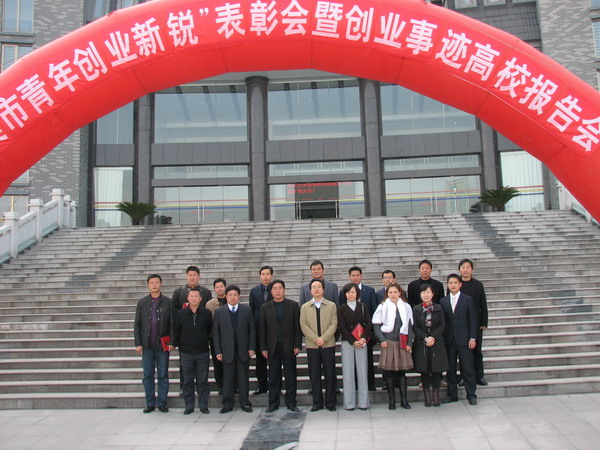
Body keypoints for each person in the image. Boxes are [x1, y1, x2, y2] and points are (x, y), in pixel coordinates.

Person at [259, 280, 302, 413]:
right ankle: (273, 403)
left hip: (289, 346)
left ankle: (291, 402)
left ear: (284, 290)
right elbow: (262, 329)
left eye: (280, 288)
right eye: (275, 289)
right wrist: (263, 347)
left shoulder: (293, 305)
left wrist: (297, 344)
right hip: (272, 347)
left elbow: (297, 326)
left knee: (290, 376)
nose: (277, 291)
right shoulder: (265, 307)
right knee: (273, 376)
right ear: (271, 291)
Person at [212, 285, 256, 413]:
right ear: (226, 296)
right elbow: (216, 333)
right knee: (228, 378)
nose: (232, 297)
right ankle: (227, 403)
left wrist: (252, 347)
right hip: (227, 350)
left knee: (243, 378)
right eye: (230, 295)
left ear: (239, 296)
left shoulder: (246, 310)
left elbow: (252, 330)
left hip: (243, 349)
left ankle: (245, 402)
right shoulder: (219, 312)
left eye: (235, 295)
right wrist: (218, 351)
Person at [133, 274, 173, 414]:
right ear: (148, 285)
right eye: (152, 283)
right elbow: (137, 324)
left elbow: (172, 323)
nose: (154, 285)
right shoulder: (142, 303)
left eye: (157, 282)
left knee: (163, 375)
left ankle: (162, 403)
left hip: (162, 346)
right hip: (147, 346)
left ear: (161, 284)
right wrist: (138, 343)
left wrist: (172, 342)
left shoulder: (168, 302)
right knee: (148, 375)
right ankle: (150, 403)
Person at [170, 288, 213, 415]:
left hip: (202, 352)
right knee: (188, 381)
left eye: (196, 296)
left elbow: (210, 330)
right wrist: (174, 344)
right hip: (186, 353)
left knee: (202, 380)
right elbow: (176, 331)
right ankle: (189, 406)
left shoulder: (206, 313)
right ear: (188, 298)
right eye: (191, 296)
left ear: (200, 299)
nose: (194, 298)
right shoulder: (181, 314)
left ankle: (203, 405)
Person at [372, 282, 414, 410]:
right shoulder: (382, 306)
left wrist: (410, 343)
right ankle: (392, 400)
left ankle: (404, 400)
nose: (393, 294)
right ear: (387, 294)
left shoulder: (406, 306)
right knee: (389, 372)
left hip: (402, 341)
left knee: (401, 373)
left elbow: (410, 325)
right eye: (390, 292)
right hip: (388, 342)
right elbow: (376, 325)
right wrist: (382, 339)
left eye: (395, 292)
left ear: (400, 293)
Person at [300, 278, 338, 412]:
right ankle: (317, 402)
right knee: (314, 374)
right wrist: (316, 339)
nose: (316, 289)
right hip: (312, 345)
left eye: (319, 287)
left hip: (328, 344)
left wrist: (324, 338)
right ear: (310, 290)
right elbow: (303, 325)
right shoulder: (305, 307)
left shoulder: (331, 305)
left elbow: (334, 323)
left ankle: (330, 402)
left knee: (330, 373)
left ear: (323, 290)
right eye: (314, 287)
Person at [440, 274, 478, 406]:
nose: (453, 285)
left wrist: (472, 337)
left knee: (467, 368)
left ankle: (471, 394)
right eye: (450, 283)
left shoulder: (468, 300)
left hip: (464, 339)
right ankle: (452, 394)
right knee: (450, 369)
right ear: (447, 285)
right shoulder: (443, 301)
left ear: (460, 284)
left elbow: (473, 320)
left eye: (455, 282)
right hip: (449, 340)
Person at [412, 283, 448, 407]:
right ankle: (427, 397)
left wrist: (433, 337)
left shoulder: (438, 308)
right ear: (420, 294)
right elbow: (415, 326)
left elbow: (442, 324)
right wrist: (425, 337)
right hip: (421, 343)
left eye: (428, 292)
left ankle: (436, 397)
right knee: (425, 370)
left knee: (436, 369)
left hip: (436, 342)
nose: (426, 295)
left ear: (432, 294)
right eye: (423, 292)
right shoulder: (416, 309)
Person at [337, 283, 372, 411]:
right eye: (348, 292)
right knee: (348, 373)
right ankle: (349, 403)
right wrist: (353, 341)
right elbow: (342, 327)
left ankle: (363, 402)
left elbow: (368, 323)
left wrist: (363, 339)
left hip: (361, 342)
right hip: (348, 342)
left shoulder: (362, 306)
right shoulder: (341, 309)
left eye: (353, 292)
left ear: (357, 293)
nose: (350, 294)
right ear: (345, 294)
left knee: (362, 372)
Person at [343, 266, 378, 392]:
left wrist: (367, 333)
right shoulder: (345, 291)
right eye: (353, 275)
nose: (355, 277)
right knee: (351, 363)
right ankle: (355, 385)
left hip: (365, 334)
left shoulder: (369, 290)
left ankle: (370, 384)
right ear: (349, 277)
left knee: (368, 360)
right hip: (350, 334)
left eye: (357, 275)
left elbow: (374, 310)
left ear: (361, 276)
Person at [458, 258, 489, 386]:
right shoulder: (456, 284)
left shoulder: (478, 284)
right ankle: (464, 376)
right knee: (463, 352)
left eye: (468, 267)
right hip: (461, 323)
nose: (465, 270)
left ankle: (479, 376)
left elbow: (483, 304)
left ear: (472, 269)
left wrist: (484, 322)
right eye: (463, 267)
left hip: (476, 322)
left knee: (477, 350)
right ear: (459, 269)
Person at [248, 265, 273, 395]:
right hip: (259, 331)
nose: (265, 277)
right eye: (263, 274)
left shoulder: (276, 289)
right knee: (260, 361)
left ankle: (275, 385)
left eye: (268, 274)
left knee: (274, 360)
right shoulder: (254, 291)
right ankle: (262, 385)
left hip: (273, 330)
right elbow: (251, 311)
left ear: (271, 276)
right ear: (260, 276)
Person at [205, 278, 228, 393]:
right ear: (214, 289)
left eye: (221, 286)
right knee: (218, 363)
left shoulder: (231, 299)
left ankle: (233, 385)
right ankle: (221, 385)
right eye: (217, 287)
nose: (219, 289)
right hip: (216, 338)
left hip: (230, 338)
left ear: (225, 287)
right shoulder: (210, 304)